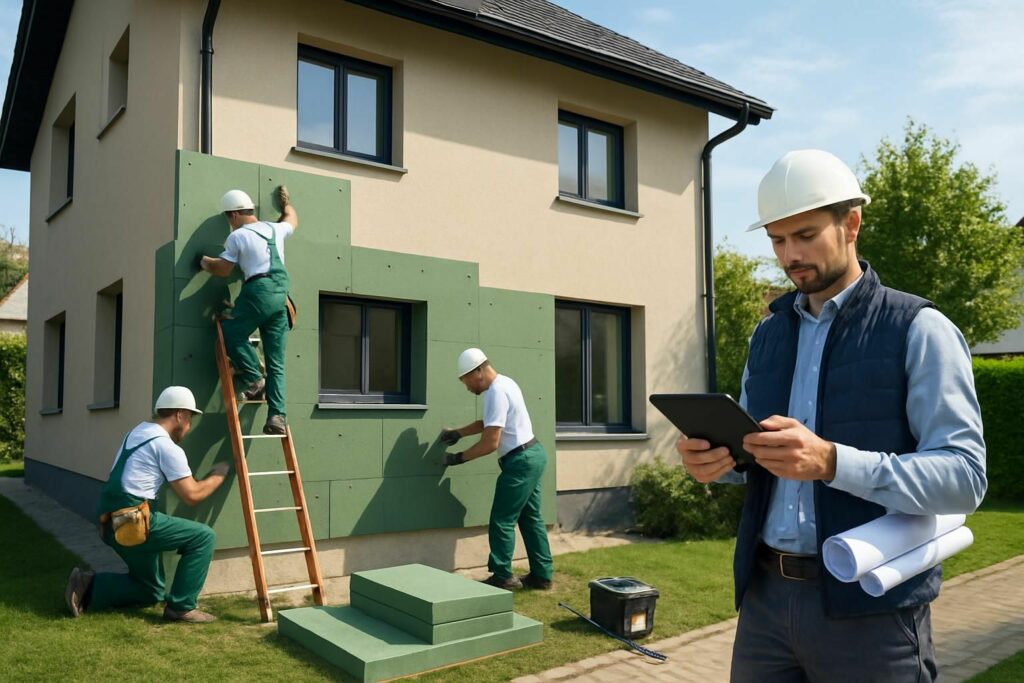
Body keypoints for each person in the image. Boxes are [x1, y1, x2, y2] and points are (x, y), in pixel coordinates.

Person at [677, 149, 987, 681]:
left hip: (872, 606)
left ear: (852, 223)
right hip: (765, 604)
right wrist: (719, 460)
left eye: (805, 235)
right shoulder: (768, 335)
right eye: (777, 240)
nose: (789, 254)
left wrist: (832, 462)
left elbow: (964, 478)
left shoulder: (920, 329)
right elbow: (760, 452)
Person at [64, 386, 231, 623]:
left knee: (150, 590)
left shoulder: (137, 432)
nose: (190, 425)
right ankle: (181, 607)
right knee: (203, 537)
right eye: (190, 417)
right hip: (133, 521)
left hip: (110, 521)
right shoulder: (165, 446)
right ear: (180, 415)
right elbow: (191, 495)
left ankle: (87, 585)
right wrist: (219, 475)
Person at [440, 348, 554, 590]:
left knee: (502, 519)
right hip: (533, 454)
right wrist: (458, 433)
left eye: (466, 380)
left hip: (520, 462)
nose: (467, 387)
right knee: (530, 517)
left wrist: (457, 458)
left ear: (478, 371)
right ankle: (542, 576)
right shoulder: (506, 383)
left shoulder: (495, 392)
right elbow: (489, 423)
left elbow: (490, 443)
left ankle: (503, 576)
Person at [199, 186, 297, 435]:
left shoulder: (238, 236)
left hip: (259, 292)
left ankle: (254, 379)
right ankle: (277, 416)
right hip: (281, 298)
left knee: (231, 331)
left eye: (228, 219)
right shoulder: (275, 229)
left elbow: (223, 269)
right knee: (276, 362)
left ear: (233, 215)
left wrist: (204, 261)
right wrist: (285, 204)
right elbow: (291, 219)